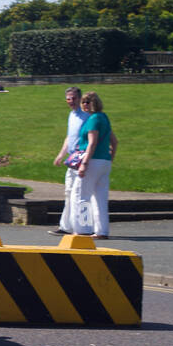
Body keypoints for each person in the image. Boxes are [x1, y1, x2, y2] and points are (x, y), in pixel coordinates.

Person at [71, 92, 117, 239]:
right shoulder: (104, 118)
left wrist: (84, 164)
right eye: (83, 102)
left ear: (92, 104)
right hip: (104, 161)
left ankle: (84, 229)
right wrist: (111, 158)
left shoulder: (93, 119)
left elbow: (92, 143)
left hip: (92, 161)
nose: (83, 105)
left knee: (81, 195)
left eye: (86, 102)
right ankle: (102, 231)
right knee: (101, 198)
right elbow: (114, 142)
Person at [51, 86, 88, 235]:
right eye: (68, 98)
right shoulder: (71, 116)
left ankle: (84, 226)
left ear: (80, 99)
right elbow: (69, 137)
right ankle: (65, 227)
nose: (71, 101)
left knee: (81, 194)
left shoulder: (87, 117)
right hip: (72, 160)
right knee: (68, 192)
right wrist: (61, 154)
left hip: (83, 159)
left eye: (74, 98)